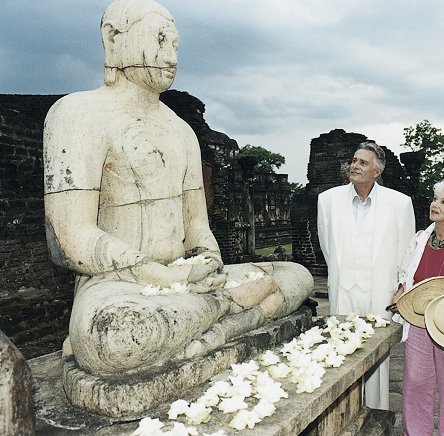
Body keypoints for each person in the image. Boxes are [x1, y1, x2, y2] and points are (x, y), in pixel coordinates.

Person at [42, 0, 311, 377]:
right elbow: (68, 236)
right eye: (160, 40)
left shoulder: (182, 131)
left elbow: (197, 225)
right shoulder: (77, 115)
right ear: (113, 38)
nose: (170, 56)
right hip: (120, 286)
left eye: (175, 45)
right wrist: (160, 276)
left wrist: (208, 259)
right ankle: (231, 316)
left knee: (296, 275)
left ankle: (211, 324)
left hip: (188, 283)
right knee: (116, 335)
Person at [317, 141, 415, 409]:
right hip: (343, 289)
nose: (355, 166)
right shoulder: (327, 201)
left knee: (377, 359)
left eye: (363, 162)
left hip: (380, 292)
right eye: (354, 160)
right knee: (341, 355)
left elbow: (407, 252)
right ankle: (343, 414)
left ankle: (375, 414)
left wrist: (400, 288)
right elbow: (327, 246)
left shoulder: (400, 203)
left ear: (377, 171)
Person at [390, 179, 444, 436]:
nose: (435, 205)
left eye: (443, 202)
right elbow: (406, 273)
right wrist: (400, 294)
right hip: (418, 319)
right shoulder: (419, 239)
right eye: (436, 199)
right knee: (415, 383)